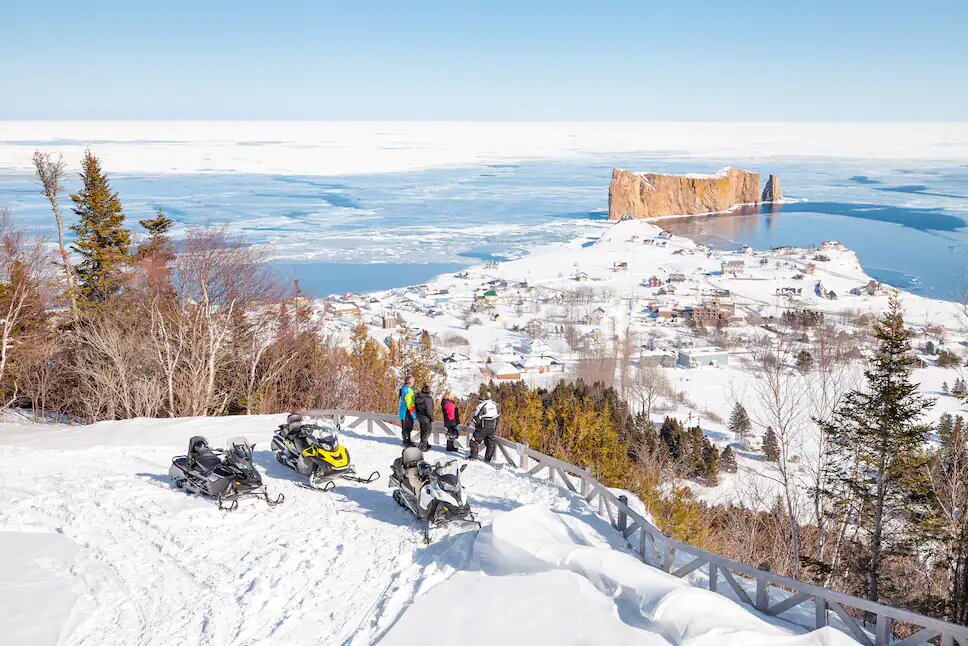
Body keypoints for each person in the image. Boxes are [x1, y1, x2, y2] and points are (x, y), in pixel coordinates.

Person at [470, 391, 500, 462]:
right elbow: (498, 417)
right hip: (492, 426)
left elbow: (476, 418)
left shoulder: (481, 406)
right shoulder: (496, 405)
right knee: (490, 443)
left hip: (483, 426)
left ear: (484, 397)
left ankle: (473, 457)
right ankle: (488, 459)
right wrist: (495, 427)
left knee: (474, 441)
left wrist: (478, 427)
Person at [398, 376, 418, 447]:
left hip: (403, 411)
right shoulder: (407, 390)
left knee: (406, 427)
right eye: (413, 381)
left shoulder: (404, 389)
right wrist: (414, 414)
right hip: (407, 412)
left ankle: (407, 440)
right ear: (410, 382)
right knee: (407, 427)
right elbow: (410, 403)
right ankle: (406, 442)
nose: (413, 383)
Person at [414, 385, 435, 451]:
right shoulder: (428, 399)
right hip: (426, 417)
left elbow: (416, 408)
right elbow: (429, 411)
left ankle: (425, 444)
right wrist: (432, 418)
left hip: (420, 416)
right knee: (427, 431)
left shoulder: (418, 397)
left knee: (423, 430)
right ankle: (423, 447)